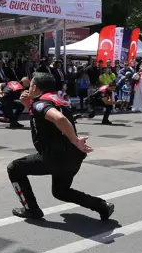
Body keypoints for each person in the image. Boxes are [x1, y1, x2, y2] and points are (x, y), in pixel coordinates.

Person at [7, 73, 114, 221]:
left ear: (35, 88)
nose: (27, 89)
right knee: (60, 191)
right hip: (73, 156)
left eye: (30, 86)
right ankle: (102, 206)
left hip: (56, 157)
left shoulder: (40, 103)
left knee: (14, 168)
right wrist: (27, 103)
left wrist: (75, 140)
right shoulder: (56, 99)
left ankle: (31, 209)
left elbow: (59, 118)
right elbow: (42, 119)